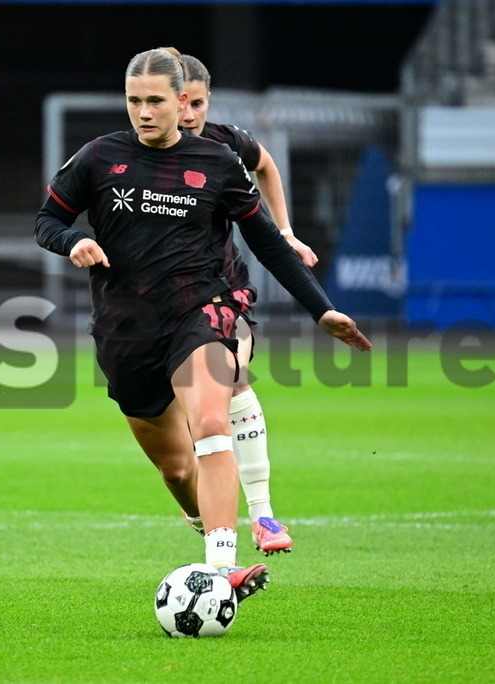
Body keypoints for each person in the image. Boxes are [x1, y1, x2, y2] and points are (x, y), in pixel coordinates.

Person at [35, 48, 371, 601]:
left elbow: (267, 242)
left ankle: (221, 567)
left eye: (155, 101)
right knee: (174, 469)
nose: (144, 112)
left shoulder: (217, 160)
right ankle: (204, 520)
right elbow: (47, 220)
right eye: (134, 101)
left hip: (203, 310)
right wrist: (73, 241)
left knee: (212, 420)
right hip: (126, 328)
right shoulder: (99, 157)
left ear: (181, 99)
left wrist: (321, 309)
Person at [171, 48, 315, 556]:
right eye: (181, 103)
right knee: (177, 444)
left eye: (198, 103)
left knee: (232, 381)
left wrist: (285, 230)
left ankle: (263, 516)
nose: (189, 115)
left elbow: (266, 165)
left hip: (222, 290)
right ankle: (200, 506)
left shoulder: (224, 144)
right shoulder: (134, 153)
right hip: (157, 303)